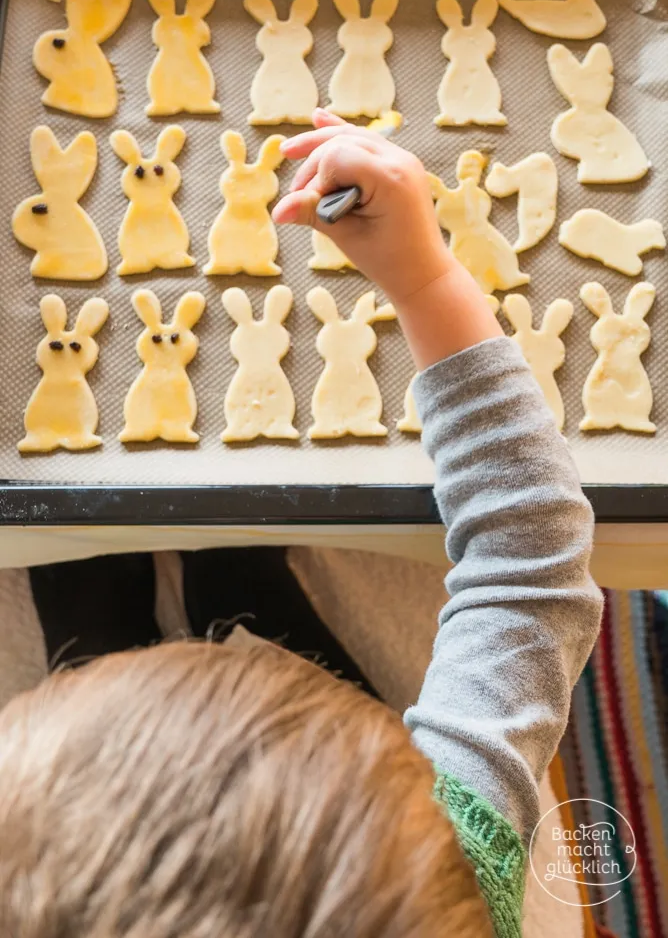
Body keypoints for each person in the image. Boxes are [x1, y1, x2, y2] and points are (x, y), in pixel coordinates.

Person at [0, 109, 602, 938]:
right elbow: (529, 564)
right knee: (258, 616)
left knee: (87, 611)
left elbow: (528, 568)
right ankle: (242, 601)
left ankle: (107, 631)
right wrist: (426, 279)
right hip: (358, 807)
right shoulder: (433, 856)